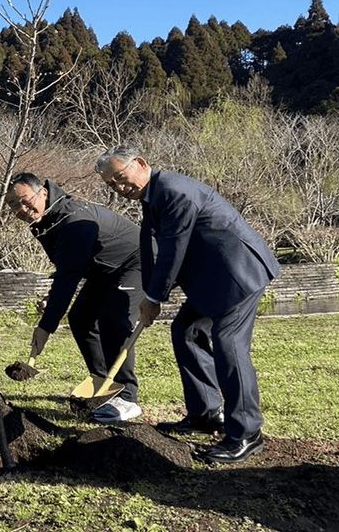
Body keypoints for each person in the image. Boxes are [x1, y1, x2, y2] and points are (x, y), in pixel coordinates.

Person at [96, 146, 279, 464]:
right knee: (186, 330)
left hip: (237, 273)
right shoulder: (153, 197)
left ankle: (247, 433)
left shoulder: (173, 192)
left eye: (121, 178)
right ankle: (205, 414)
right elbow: (153, 251)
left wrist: (154, 299)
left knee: (229, 345)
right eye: (112, 185)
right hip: (212, 278)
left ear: (140, 164)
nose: (120, 188)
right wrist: (148, 295)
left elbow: (173, 248)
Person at [5, 172, 148, 423]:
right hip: (105, 269)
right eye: (13, 205)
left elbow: (69, 275)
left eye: (25, 200)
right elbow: (66, 266)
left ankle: (127, 397)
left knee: (113, 319)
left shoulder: (72, 218)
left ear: (44, 193)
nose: (22, 209)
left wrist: (46, 326)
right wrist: (54, 299)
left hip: (137, 260)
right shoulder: (45, 221)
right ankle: (103, 384)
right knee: (81, 317)